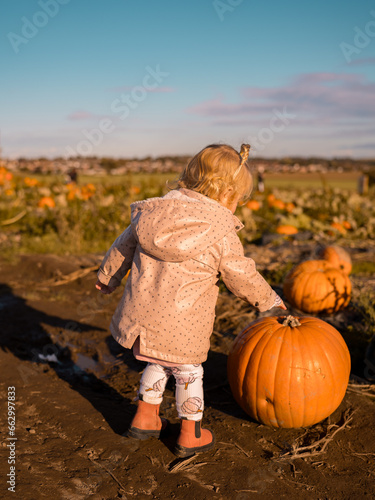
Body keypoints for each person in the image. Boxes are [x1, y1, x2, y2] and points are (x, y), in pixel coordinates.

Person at [95, 143, 286, 458]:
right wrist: (269, 301)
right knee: (188, 374)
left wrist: (107, 278)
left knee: (157, 362)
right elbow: (242, 275)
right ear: (226, 195)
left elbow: (122, 247)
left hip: (145, 319)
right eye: (238, 199)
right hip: (185, 325)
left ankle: (145, 419)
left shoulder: (152, 213)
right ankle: (189, 434)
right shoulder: (220, 231)